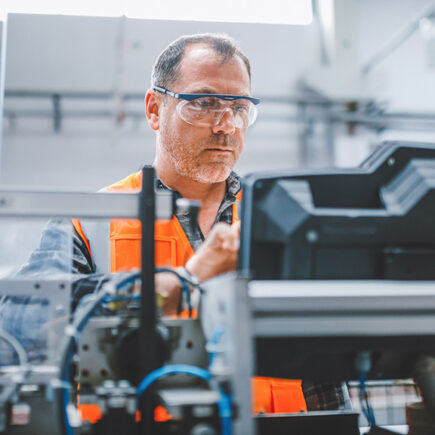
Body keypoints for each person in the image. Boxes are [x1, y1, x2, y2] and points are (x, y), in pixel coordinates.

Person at [19, 33, 351, 413]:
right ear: (154, 109)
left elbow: (322, 376)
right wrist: (185, 279)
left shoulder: (285, 220)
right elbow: (25, 324)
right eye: (204, 103)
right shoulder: (91, 219)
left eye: (239, 107)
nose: (226, 125)